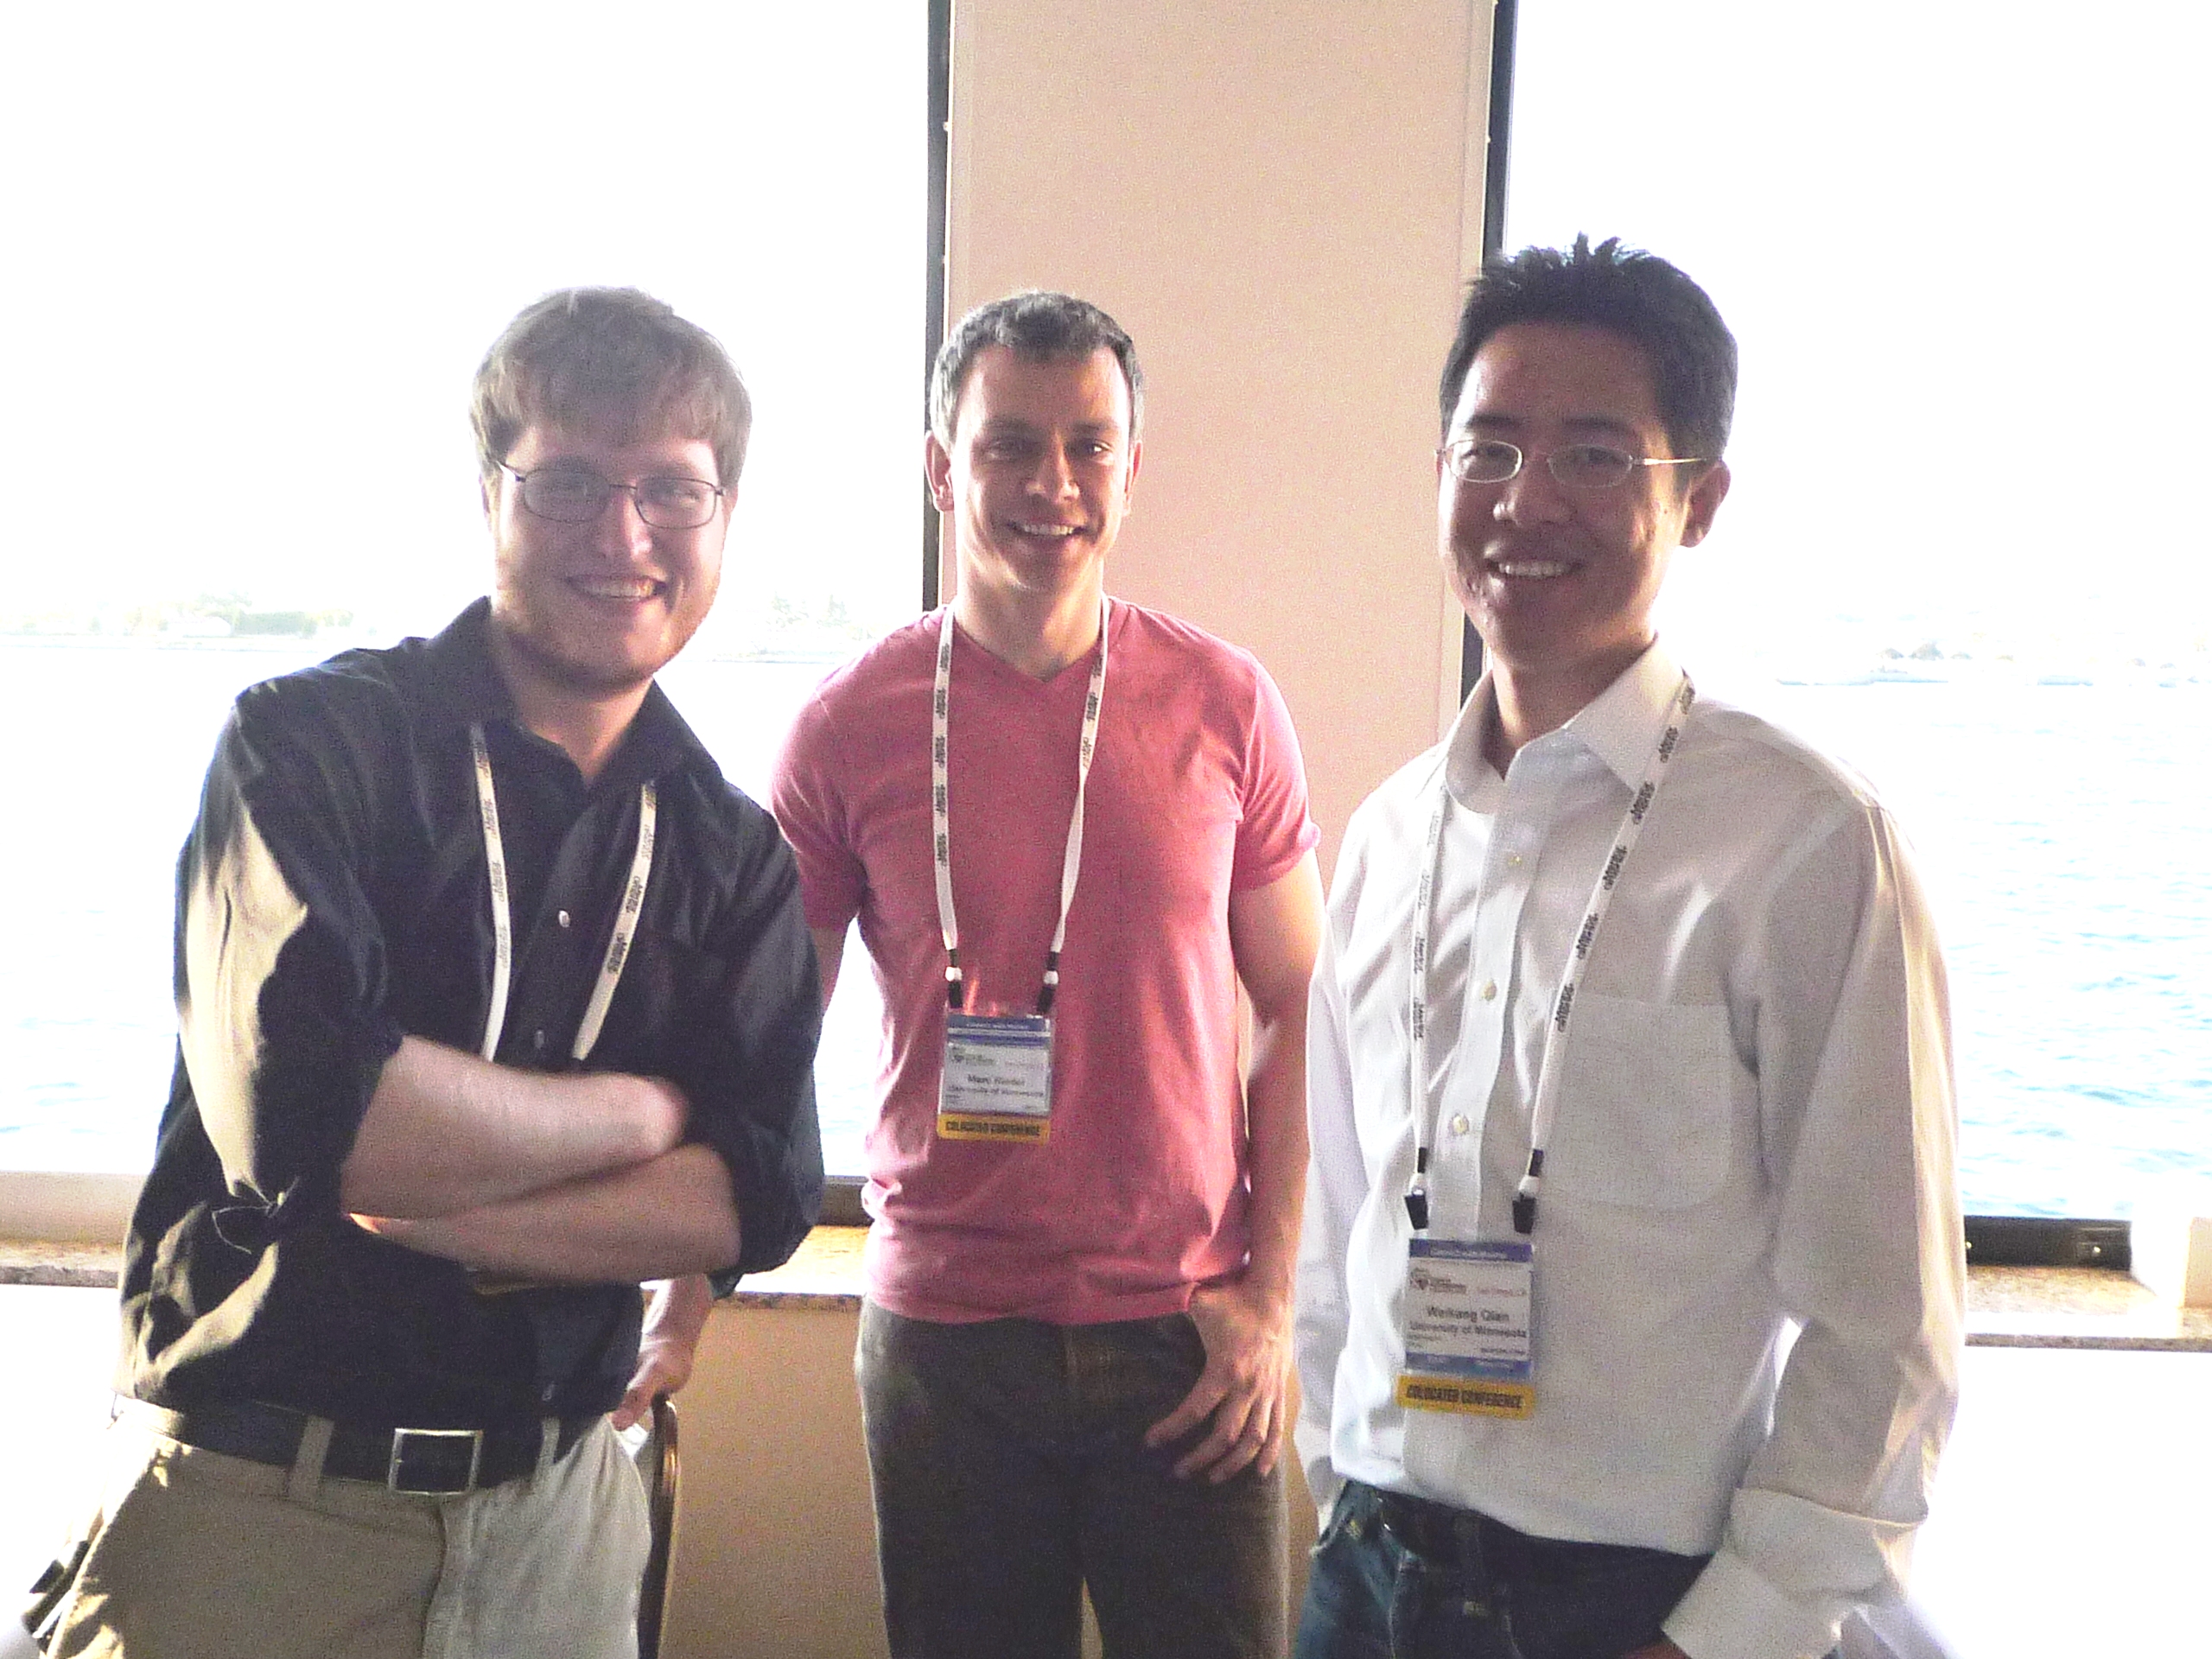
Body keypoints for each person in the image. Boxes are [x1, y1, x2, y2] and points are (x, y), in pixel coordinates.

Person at [40, 288, 824, 1659]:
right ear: (488, 495)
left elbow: (753, 1199)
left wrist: (437, 1207)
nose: (622, 535)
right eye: (568, 482)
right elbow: (322, 1126)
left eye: (670, 490)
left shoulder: (730, 849)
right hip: (257, 1514)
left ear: (725, 516)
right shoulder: (309, 748)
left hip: (562, 1530)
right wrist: (640, 1116)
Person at [1293, 238, 1963, 1659]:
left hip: (1633, 1604)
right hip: (1369, 1570)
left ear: (1698, 499)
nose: (1525, 499)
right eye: (1489, 449)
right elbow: (1342, 1226)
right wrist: (1335, 1483)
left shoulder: (1803, 843)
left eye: (1595, 455)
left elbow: (1886, 1323)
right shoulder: (1390, 837)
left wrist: (1729, 1634)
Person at [772, 290, 1324, 1658]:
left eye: (1090, 445)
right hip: (945, 1341)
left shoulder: (1225, 702)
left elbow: (1301, 1008)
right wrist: (675, 1278)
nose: (1052, 483)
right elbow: (772, 1030)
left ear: (1132, 470)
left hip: (1186, 1338)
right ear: (940, 466)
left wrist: (1272, 1300)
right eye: (1009, 445)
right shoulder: (847, 725)